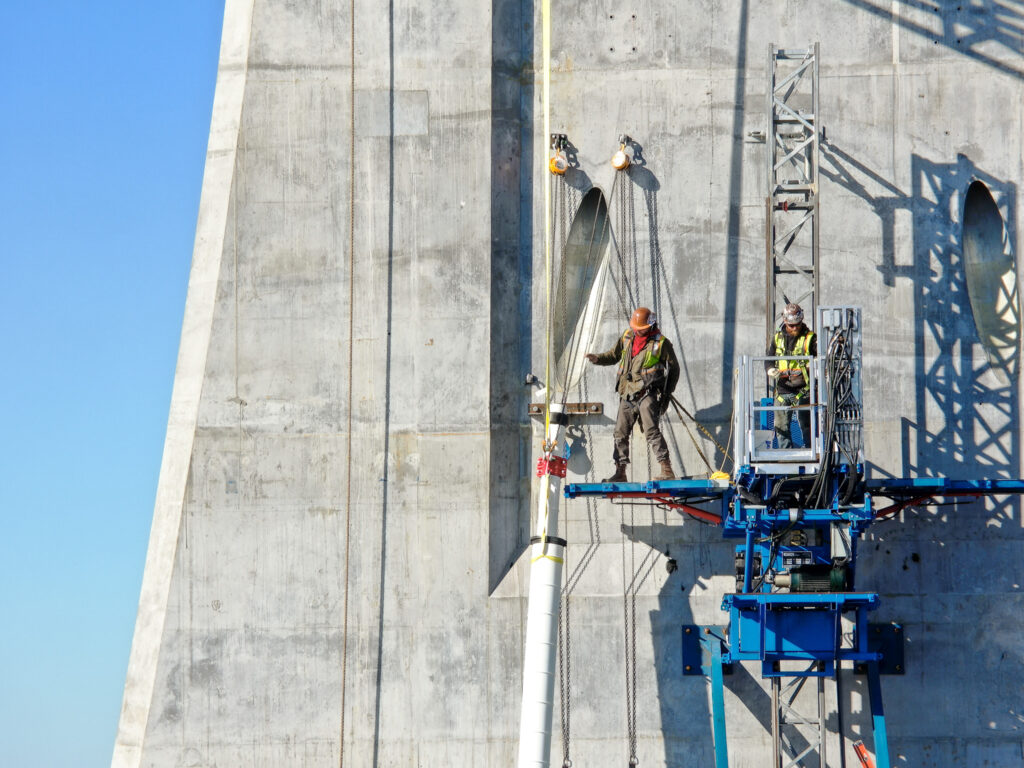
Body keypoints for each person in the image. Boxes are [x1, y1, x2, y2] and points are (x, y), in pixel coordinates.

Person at [585, 307, 680, 482]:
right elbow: (613, 355)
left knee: (651, 431)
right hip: (627, 394)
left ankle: (667, 470)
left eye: (640, 327)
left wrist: (666, 394)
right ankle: (620, 472)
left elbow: (674, 369)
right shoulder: (628, 336)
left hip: (647, 394)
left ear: (649, 326)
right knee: (620, 433)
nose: (637, 329)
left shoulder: (660, 343)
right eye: (636, 326)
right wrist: (598, 359)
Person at [766, 303, 817, 449]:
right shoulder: (777, 339)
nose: (794, 328)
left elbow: (821, 357)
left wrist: (815, 364)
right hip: (783, 389)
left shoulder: (810, 338)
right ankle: (786, 454)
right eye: (791, 325)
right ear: (785, 322)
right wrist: (770, 369)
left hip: (804, 389)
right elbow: (769, 358)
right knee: (781, 426)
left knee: (807, 424)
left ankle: (810, 451)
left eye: (797, 324)